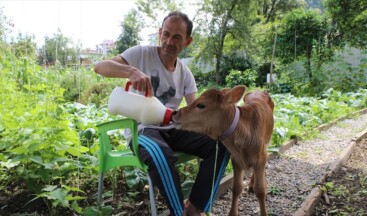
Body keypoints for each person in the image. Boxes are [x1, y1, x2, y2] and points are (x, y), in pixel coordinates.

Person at [94, 11, 229, 216]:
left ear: (187, 41)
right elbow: (99, 66)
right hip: (143, 130)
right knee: (158, 153)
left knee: (221, 146)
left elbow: (196, 112)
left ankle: (194, 207)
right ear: (159, 32)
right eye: (166, 34)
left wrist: (219, 124)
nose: (169, 41)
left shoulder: (186, 74)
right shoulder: (140, 54)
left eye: (177, 37)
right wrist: (131, 71)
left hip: (173, 127)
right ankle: (178, 212)